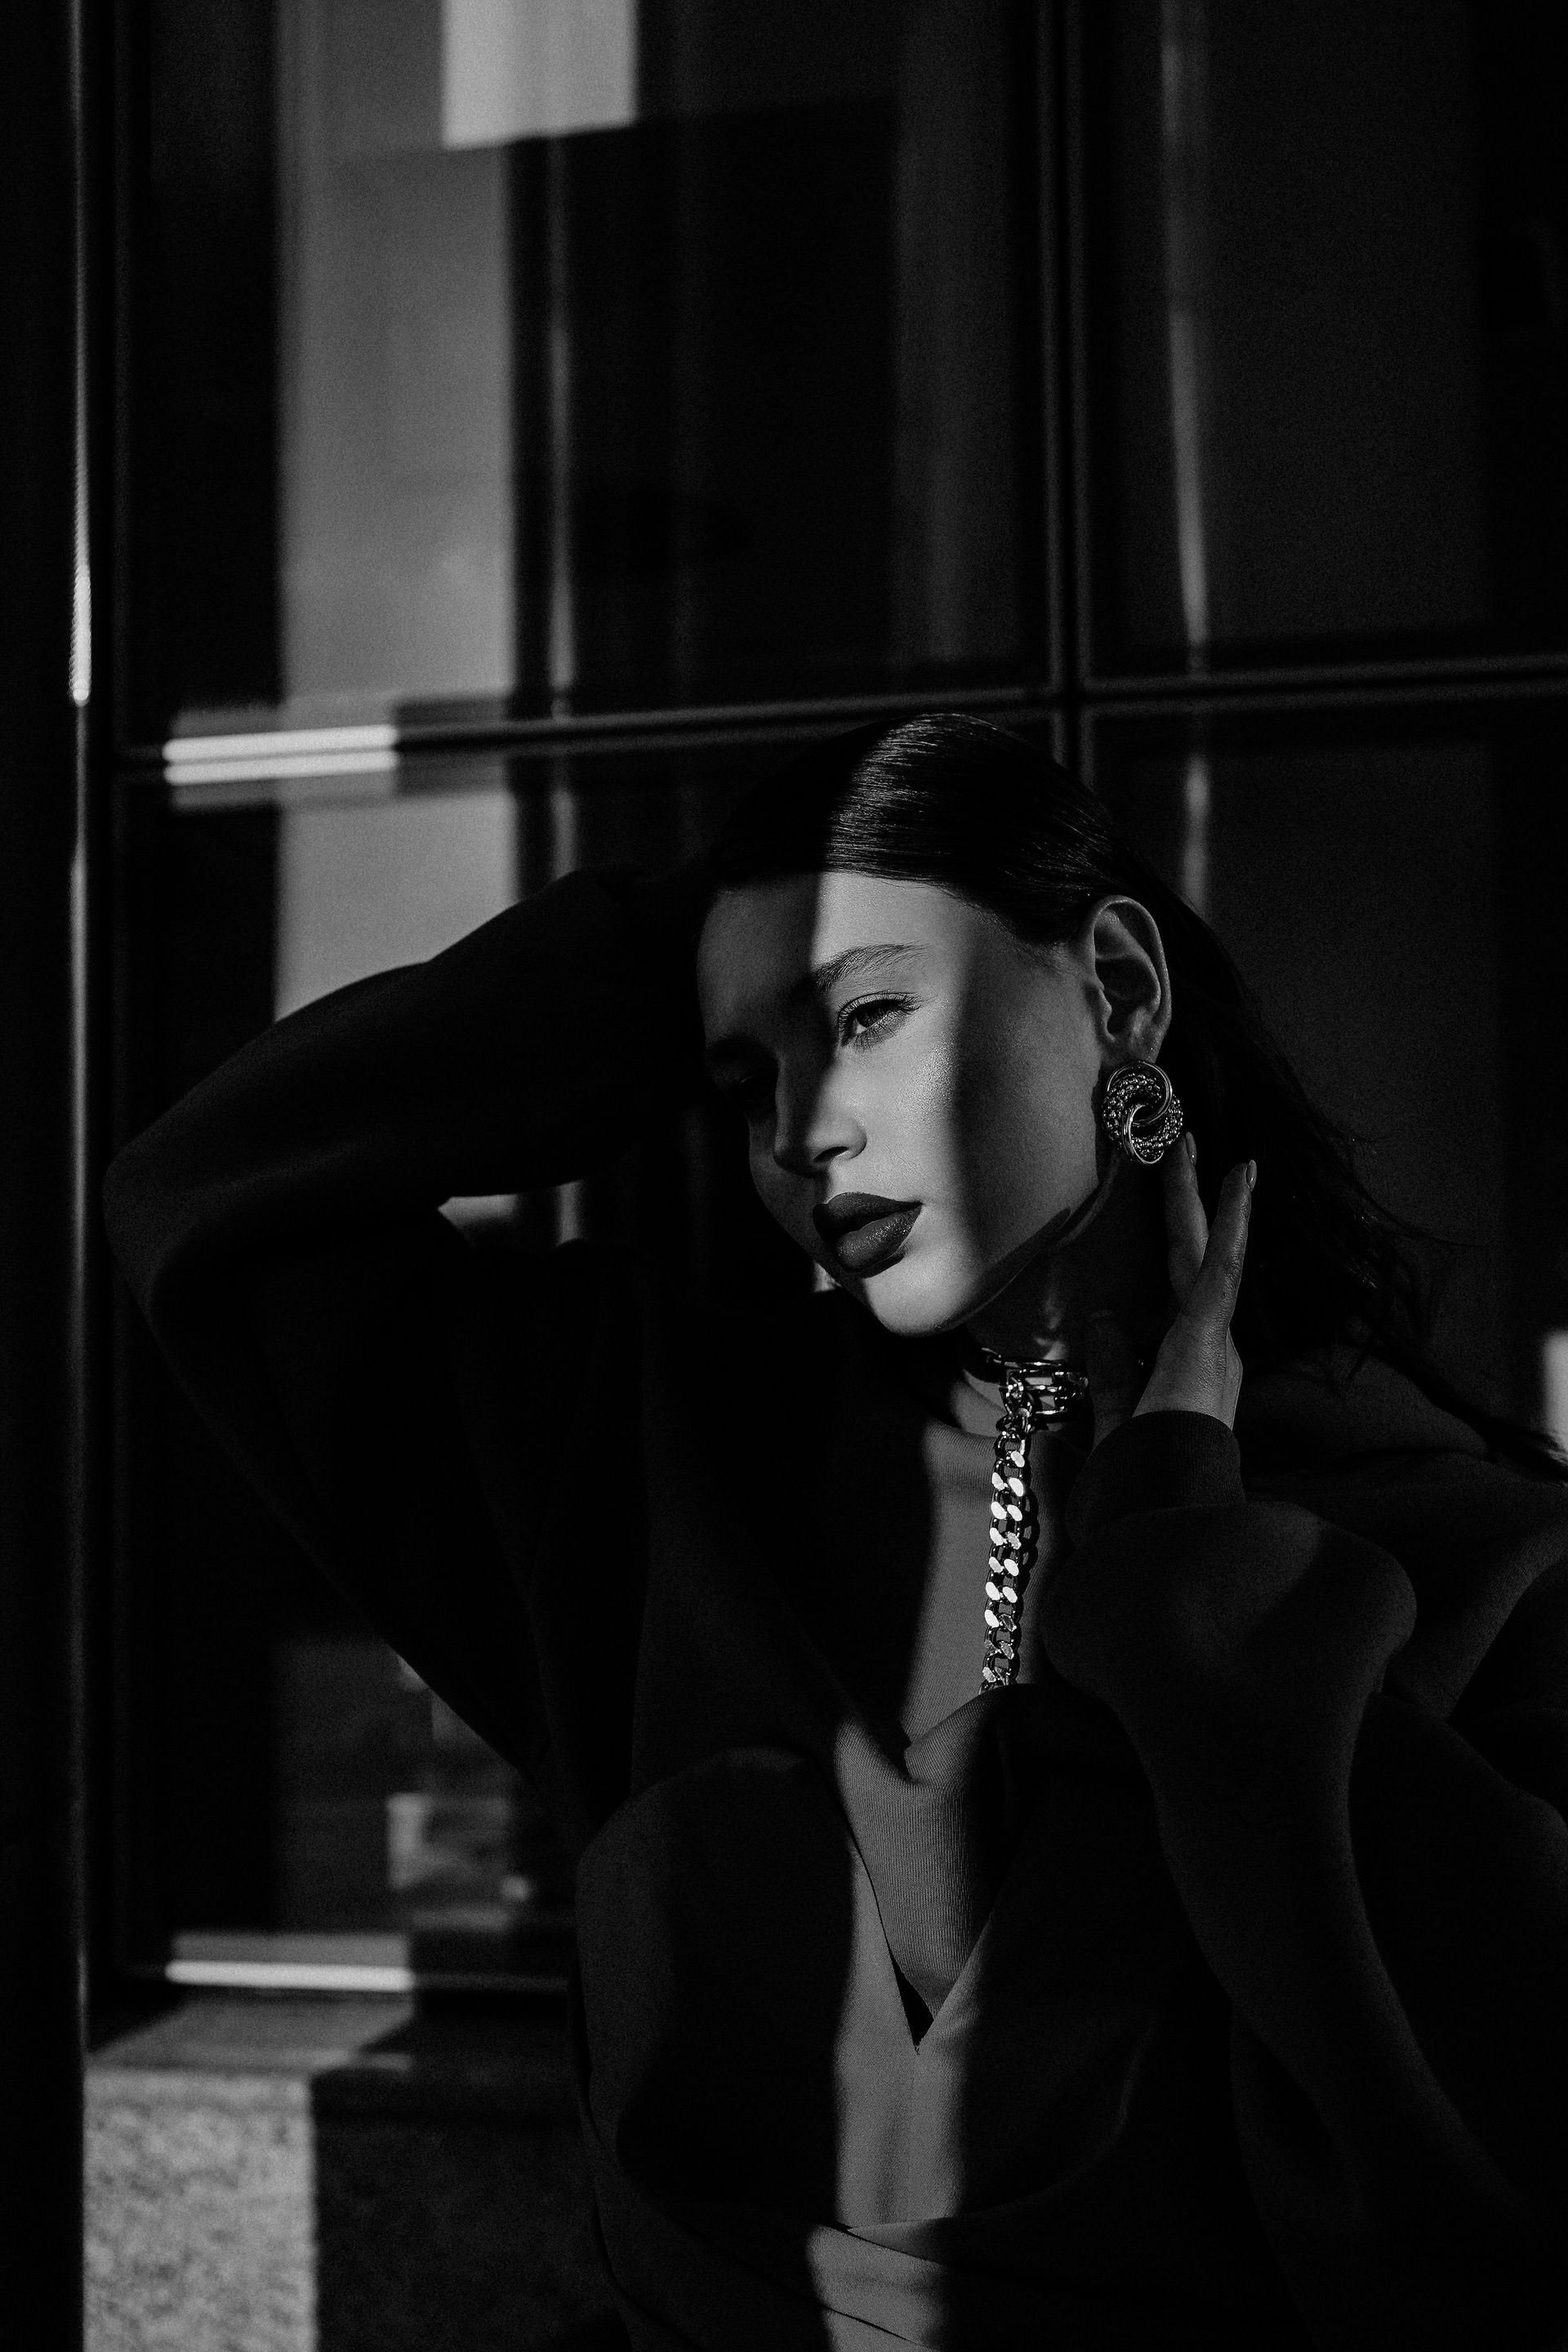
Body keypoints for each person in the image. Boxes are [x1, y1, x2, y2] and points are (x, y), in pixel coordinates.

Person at [104, 713, 1568, 2350]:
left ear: (1117, 991)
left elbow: (1500, 2198)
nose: (804, 1132)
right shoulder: (670, 1463)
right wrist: (707, 925)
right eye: (746, 1083)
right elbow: (211, 1201)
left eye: (868, 1016)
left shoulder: (1476, 1560)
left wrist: (1187, 1582)